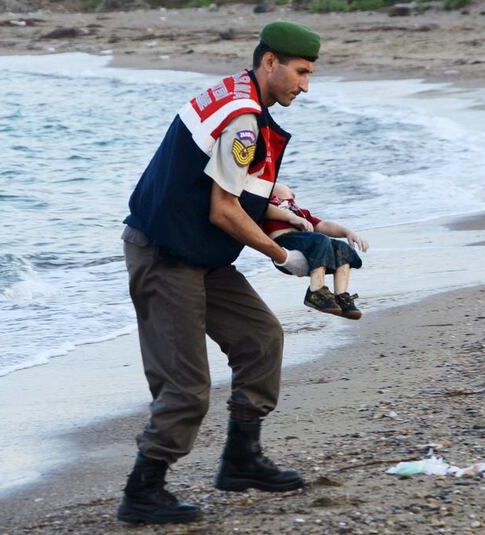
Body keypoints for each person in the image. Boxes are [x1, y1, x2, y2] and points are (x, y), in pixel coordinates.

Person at [117, 21, 321, 525]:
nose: (305, 85)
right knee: (185, 387)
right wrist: (281, 254)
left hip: (200, 254)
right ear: (269, 61)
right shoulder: (245, 120)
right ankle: (143, 490)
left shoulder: (238, 96)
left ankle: (240, 459)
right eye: (300, 72)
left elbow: (237, 187)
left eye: (311, 74)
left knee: (261, 337)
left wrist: (291, 214)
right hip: (165, 255)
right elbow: (224, 210)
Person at [262, 183, 369, 319]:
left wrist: (347, 232)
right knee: (320, 240)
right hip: (284, 242)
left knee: (341, 248)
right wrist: (291, 217)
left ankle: (341, 297)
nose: (292, 194)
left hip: (307, 245)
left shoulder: (299, 212)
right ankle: (316, 290)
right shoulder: (269, 206)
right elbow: (263, 208)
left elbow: (323, 225)